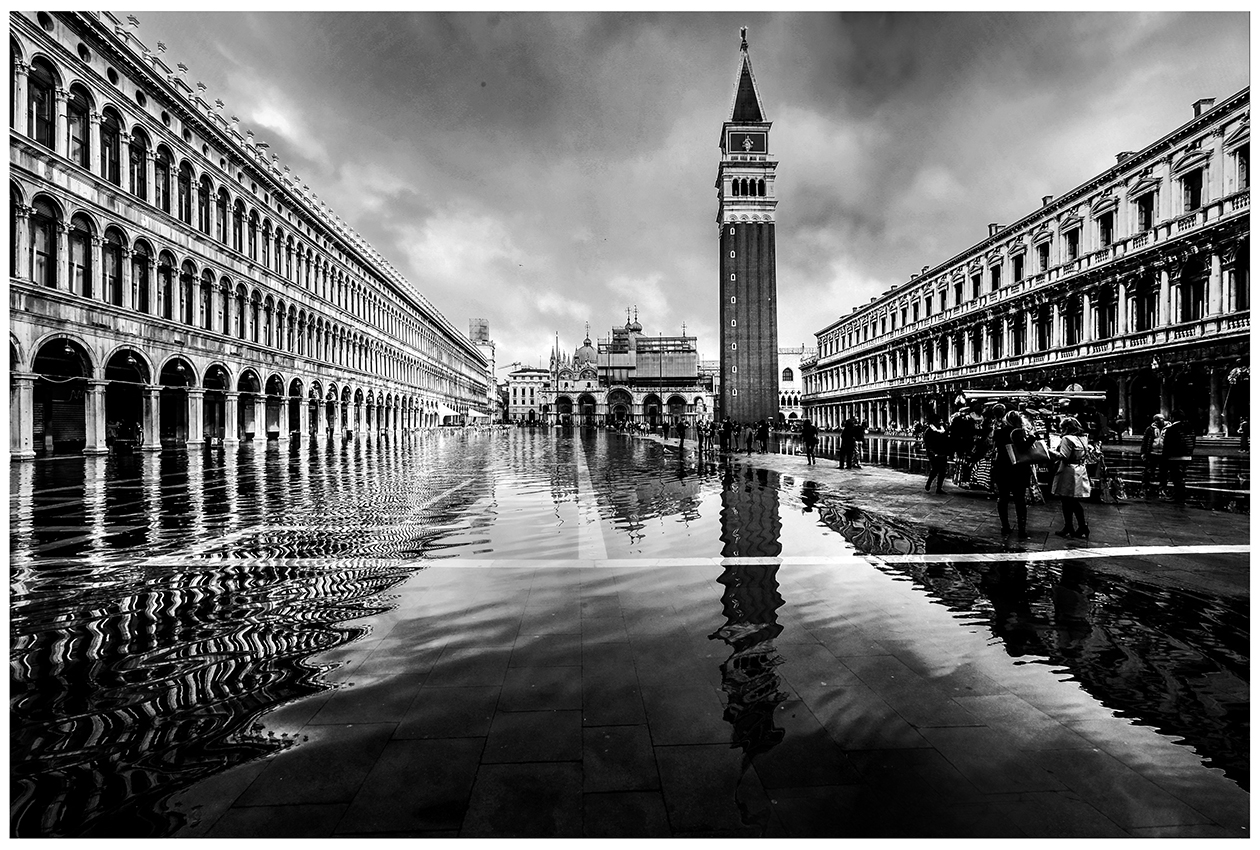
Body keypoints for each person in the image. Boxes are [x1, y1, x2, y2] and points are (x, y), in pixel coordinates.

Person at [993, 410, 1034, 536]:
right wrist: (1032, 437)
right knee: (1019, 499)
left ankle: (1005, 526)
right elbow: (1022, 447)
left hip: (1002, 468)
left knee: (1003, 497)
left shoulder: (998, 432)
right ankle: (1022, 529)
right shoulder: (1018, 432)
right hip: (1018, 469)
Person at [1050, 417, 1090, 538]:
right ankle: (1076, 526)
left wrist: (1050, 451)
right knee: (1071, 500)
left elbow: (1064, 456)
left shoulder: (1066, 439)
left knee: (1067, 500)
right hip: (1080, 469)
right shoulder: (1083, 438)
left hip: (1068, 471)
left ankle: (1076, 526)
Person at [1162, 408, 1196, 505]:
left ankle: (1178, 496)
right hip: (1187, 456)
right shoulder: (1190, 428)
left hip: (1175, 456)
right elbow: (1193, 442)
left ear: (1173, 417)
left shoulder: (1172, 429)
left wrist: (1165, 458)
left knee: (1176, 478)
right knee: (1181, 477)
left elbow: (1168, 445)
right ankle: (1181, 495)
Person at [1139, 413, 1167, 499]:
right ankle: (1145, 487)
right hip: (1152, 453)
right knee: (1148, 471)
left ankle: (1162, 488)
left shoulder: (1168, 428)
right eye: (1158, 419)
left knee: (1163, 472)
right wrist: (1143, 452)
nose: (1161, 421)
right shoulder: (1150, 429)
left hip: (1164, 453)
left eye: (1162, 419)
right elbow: (1145, 441)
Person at [922, 416, 949, 494]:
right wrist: (932, 453)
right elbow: (928, 443)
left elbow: (946, 440)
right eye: (939, 421)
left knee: (943, 471)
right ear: (934, 422)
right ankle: (929, 482)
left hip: (943, 452)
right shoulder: (929, 431)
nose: (941, 422)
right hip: (934, 453)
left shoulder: (943, 429)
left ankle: (939, 488)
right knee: (935, 469)